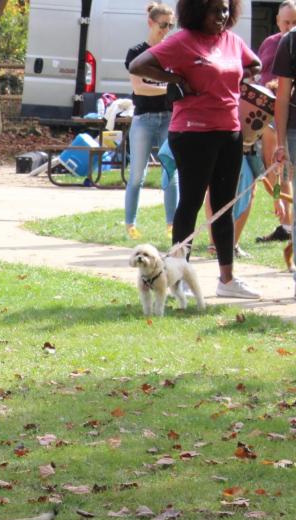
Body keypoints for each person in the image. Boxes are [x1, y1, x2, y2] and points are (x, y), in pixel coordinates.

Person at [129, 0, 262, 299]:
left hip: (229, 130)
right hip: (192, 132)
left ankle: (227, 280)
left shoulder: (232, 41)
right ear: (198, 11)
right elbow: (138, 65)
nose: (222, 15)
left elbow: (255, 65)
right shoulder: (182, 41)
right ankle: (178, 279)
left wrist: (239, 81)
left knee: (224, 206)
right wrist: (175, 79)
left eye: (226, 9)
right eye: (216, 9)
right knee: (189, 202)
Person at [124, 2, 179, 240]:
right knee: (137, 174)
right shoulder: (137, 53)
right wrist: (170, 88)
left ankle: (172, 224)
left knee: (171, 172)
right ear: (150, 23)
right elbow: (139, 89)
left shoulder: (174, 52)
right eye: (162, 25)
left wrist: (168, 88)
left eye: (171, 25)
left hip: (169, 118)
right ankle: (130, 224)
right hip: (143, 118)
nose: (166, 30)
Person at [253, 0, 296, 243]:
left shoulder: (290, 43)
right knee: (276, 171)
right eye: (286, 22)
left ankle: (287, 223)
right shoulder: (271, 44)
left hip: (282, 111)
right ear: (278, 21)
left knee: (282, 174)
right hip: (269, 112)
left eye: (294, 22)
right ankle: (283, 217)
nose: (289, 26)